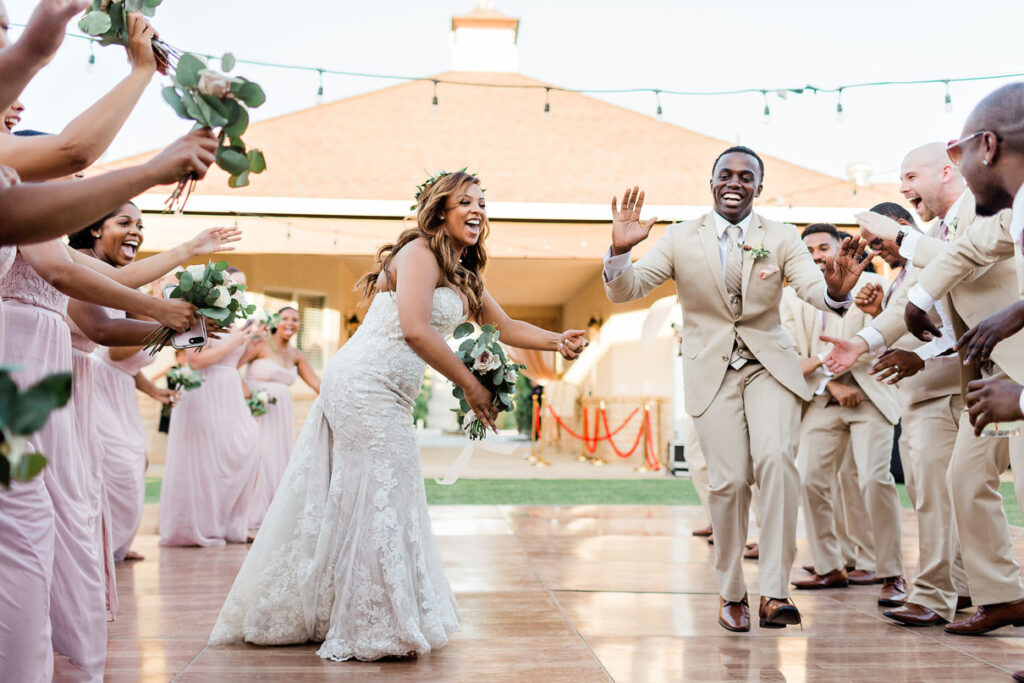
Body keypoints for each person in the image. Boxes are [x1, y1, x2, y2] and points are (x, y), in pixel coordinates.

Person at [209, 170, 587, 661]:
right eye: (465, 201)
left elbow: (507, 324)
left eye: (482, 203)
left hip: (392, 392)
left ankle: (351, 609)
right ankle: (372, 623)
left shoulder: (464, 272)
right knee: (385, 487)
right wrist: (471, 386)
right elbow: (414, 329)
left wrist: (557, 341)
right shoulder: (418, 254)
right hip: (363, 383)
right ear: (440, 211)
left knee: (384, 489)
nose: (478, 210)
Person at [602, 147, 870, 632]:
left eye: (747, 176)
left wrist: (836, 290)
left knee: (776, 463)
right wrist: (621, 251)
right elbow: (628, 289)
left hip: (771, 369)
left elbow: (815, 289)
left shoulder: (782, 238)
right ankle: (731, 593)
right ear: (711, 182)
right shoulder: (681, 237)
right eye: (725, 174)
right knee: (726, 483)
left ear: (758, 189)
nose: (735, 182)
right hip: (711, 373)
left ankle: (773, 593)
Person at [829, 142, 1024, 639]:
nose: (903, 188)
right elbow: (910, 303)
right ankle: (1002, 596)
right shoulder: (936, 233)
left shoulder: (985, 210)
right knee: (963, 478)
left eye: (910, 176)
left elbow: (967, 260)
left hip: (1017, 366)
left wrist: (900, 236)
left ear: (947, 169)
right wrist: (862, 341)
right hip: (987, 375)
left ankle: (983, 593)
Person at [780, 223, 905, 606]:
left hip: (870, 396)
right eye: (810, 250)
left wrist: (874, 317)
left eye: (824, 247)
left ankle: (890, 572)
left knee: (872, 480)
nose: (817, 255)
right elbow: (786, 355)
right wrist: (831, 382)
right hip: (823, 397)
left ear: (841, 248)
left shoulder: (873, 283)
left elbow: (886, 336)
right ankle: (830, 564)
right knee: (810, 479)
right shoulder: (793, 298)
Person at [160, 267, 260, 547]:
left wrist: (248, 347)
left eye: (243, 285)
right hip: (204, 391)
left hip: (228, 391)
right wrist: (237, 342)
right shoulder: (199, 316)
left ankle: (229, 524)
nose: (239, 291)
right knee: (205, 463)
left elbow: (231, 363)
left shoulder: (236, 321)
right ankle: (201, 526)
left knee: (242, 451)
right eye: (234, 285)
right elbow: (195, 360)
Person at [239, 306, 321, 528]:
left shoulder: (296, 355)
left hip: (281, 417)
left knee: (278, 458)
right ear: (276, 321)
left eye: (295, 319)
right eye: (285, 318)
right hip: (256, 411)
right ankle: (249, 516)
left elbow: (317, 384)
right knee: (259, 458)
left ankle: (274, 517)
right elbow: (232, 367)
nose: (290, 323)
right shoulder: (260, 343)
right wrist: (247, 392)